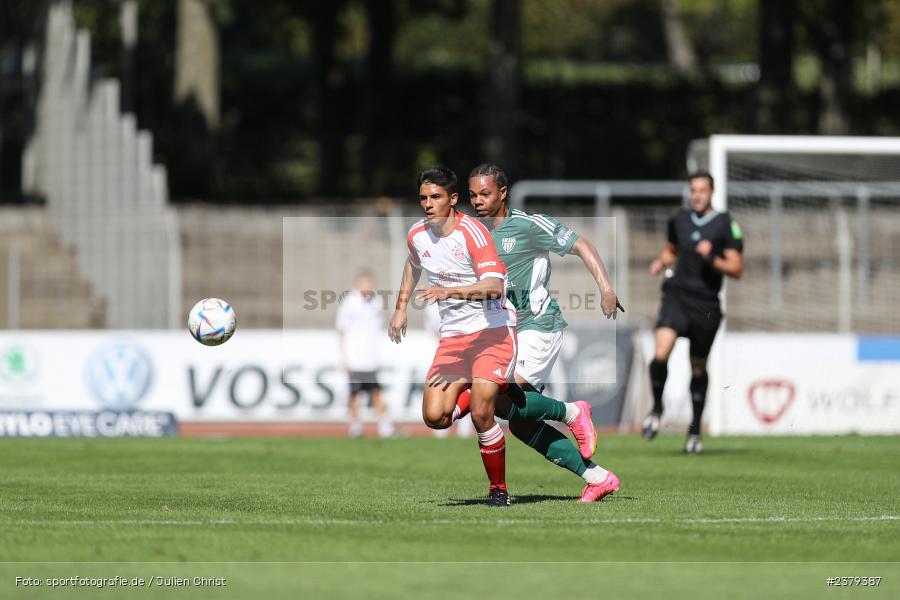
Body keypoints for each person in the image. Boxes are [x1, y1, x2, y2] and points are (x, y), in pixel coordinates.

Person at [460, 163, 624, 502]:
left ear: (503, 193)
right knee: (518, 421)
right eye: (473, 194)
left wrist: (605, 288)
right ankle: (599, 478)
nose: (477, 201)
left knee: (499, 399)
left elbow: (582, 245)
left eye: (485, 194)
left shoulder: (529, 224)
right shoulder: (476, 234)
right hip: (504, 334)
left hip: (538, 326)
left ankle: (573, 411)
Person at [388, 165, 517, 507]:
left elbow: (495, 286)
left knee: (481, 414)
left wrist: (450, 293)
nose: (428, 204)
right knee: (435, 417)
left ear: (453, 199)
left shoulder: (473, 233)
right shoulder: (417, 234)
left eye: (435, 197)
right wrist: (400, 308)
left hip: (492, 332)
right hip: (454, 339)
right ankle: (483, 387)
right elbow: (413, 263)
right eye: (423, 198)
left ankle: (498, 490)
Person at [642, 170, 744, 454]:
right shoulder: (679, 220)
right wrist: (661, 263)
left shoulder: (726, 225)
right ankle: (657, 408)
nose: (697, 195)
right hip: (676, 296)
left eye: (702, 190)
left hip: (706, 305)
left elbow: (736, 268)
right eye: (693, 190)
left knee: (697, 366)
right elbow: (671, 249)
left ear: (711, 192)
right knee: (660, 354)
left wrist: (711, 256)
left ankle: (695, 431)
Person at [336, 270, 394, 438]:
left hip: (370, 358)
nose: (368, 287)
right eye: (365, 283)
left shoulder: (376, 301)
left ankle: (385, 427)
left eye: (370, 283)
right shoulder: (349, 302)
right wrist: (344, 358)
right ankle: (355, 427)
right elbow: (341, 331)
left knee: (376, 392)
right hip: (354, 358)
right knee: (354, 394)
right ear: (358, 284)